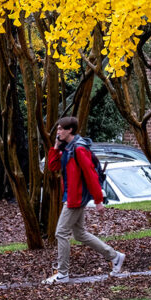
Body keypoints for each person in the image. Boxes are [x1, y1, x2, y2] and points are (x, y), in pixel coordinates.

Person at [43, 116, 126, 284]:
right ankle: (115, 257)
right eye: (58, 129)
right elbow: (53, 166)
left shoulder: (79, 149)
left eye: (60, 129)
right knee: (79, 233)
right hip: (71, 196)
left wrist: (98, 200)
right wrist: (56, 146)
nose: (58, 131)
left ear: (70, 130)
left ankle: (63, 274)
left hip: (76, 198)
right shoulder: (67, 148)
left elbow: (90, 175)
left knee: (61, 232)